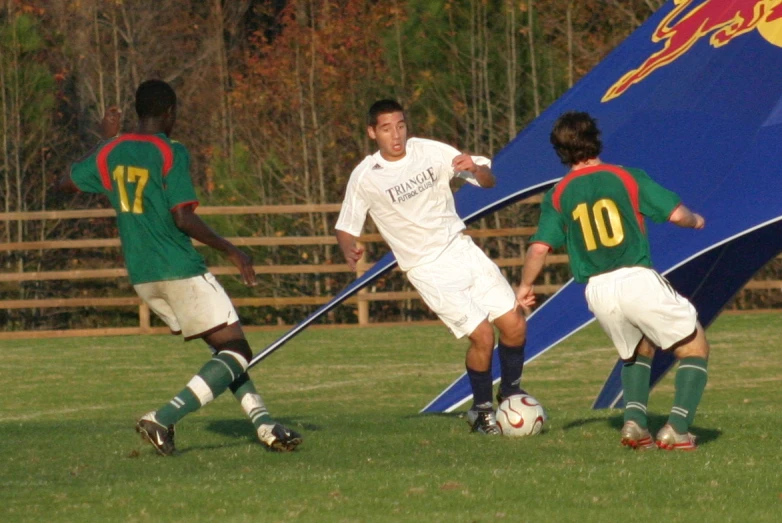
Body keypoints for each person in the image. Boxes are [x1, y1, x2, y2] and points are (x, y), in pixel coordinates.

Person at [57, 79, 302, 455]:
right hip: (178, 267)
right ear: (170, 113)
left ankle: (265, 425)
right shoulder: (170, 151)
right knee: (237, 353)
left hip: (143, 275)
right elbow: (183, 217)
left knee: (225, 349)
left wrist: (105, 141)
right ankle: (163, 417)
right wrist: (233, 250)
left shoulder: (113, 151)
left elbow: (65, 180)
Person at [516, 111, 710, 450]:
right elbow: (677, 214)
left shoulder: (558, 195)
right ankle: (677, 428)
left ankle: (635, 424)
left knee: (637, 351)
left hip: (597, 291)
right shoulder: (626, 177)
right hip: (636, 276)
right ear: (595, 138)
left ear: (560, 151)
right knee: (694, 347)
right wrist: (695, 221)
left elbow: (538, 248)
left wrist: (524, 287)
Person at [335, 99, 527, 435]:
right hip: (427, 267)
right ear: (372, 132)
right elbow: (345, 226)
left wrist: (477, 168)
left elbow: (487, 181)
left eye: (400, 125)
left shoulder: (429, 150)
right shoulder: (365, 176)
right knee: (482, 335)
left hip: (462, 248)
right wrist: (348, 248)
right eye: (386, 128)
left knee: (515, 326)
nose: (396, 135)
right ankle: (483, 413)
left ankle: (510, 394)